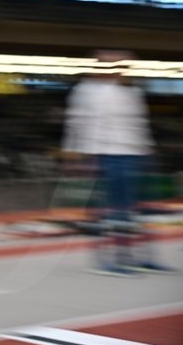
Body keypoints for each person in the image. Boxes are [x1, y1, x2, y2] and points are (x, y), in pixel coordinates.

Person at [62, 49, 171, 275]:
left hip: (134, 153)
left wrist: (147, 151)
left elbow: (139, 124)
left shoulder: (133, 92)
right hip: (103, 154)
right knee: (113, 210)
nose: (121, 71)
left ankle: (141, 257)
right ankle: (111, 259)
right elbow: (76, 122)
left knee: (137, 211)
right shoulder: (86, 91)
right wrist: (72, 154)